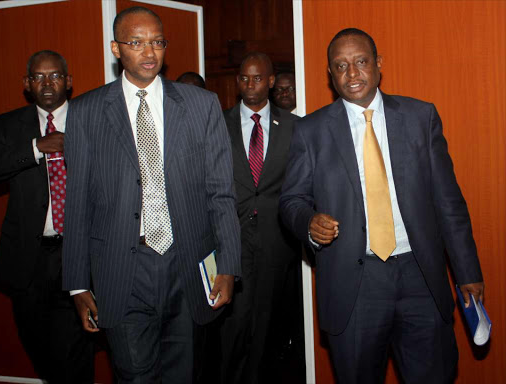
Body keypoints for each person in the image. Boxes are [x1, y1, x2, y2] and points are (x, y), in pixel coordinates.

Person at [279, 28, 485, 384]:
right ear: (330, 74)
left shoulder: (421, 118)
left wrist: (467, 272)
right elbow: (291, 201)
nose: (352, 73)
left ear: (378, 65)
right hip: (354, 285)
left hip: (420, 277)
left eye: (360, 62)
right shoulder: (310, 131)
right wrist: (309, 222)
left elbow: (448, 202)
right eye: (341, 66)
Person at [62, 6, 241, 383]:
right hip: (122, 269)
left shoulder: (200, 105)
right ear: (116, 48)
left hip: (188, 265)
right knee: (134, 375)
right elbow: (77, 202)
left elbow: (221, 193)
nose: (149, 53)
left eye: (157, 42)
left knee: (184, 375)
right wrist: (77, 284)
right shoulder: (87, 112)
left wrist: (228, 265)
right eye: (137, 43)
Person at [0, 50, 94, 383]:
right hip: (28, 261)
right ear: (26, 84)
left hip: (78, 254)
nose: (47, 83)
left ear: (68, 81)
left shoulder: (91, 119)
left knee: (74, 351)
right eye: (38, 77)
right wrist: (37, 147)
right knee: (38, 346)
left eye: (54, 76)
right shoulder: (8, 125)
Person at [219, 52, 301, 384]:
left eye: (257, 78)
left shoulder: (295, 127)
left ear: (270, 81)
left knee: (267, 325)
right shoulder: (218, 122)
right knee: (233, 326)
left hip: (276, 241)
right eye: (243, 78)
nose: (250, 85)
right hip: (231, 239)